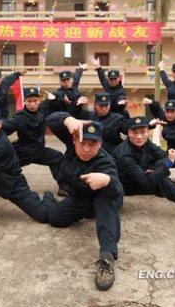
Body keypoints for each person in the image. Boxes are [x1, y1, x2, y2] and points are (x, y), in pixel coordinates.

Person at [46, 112, 124, 291]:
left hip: (104, 197)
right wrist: (68, 119)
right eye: (83, 143)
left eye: (93, 144)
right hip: (81, 198)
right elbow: (50, 119)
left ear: (100, 144)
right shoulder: (72, 143)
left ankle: (106, 259)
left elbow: (117, 191)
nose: (87, 149)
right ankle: (50, 200)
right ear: (74, 141)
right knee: (55, 218)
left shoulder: (106, 162)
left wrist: (106, 181)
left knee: (105, 203)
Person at [112, 116, 175, 223]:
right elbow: (147, 181)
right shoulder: (123, 154)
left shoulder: (146, 142)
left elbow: (162, 155)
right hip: (123, 187)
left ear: (148, 132)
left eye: (143, 132)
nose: (139, 136)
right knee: (161, 179)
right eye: (135, 132)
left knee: (161, 178)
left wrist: (155, 169)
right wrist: (168, 164)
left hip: (139, 178)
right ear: (129, 133)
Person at [0, 87, 67, 197]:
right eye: (29, 101)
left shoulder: (42, 109)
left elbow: (53, 103)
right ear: (25, 102)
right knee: (3, 165)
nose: (32, 104)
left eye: (35, 101)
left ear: (39, 101)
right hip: (23, 151)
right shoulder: (19, 118)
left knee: (58, 157)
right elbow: (6, 125)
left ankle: (64, 187)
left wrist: (55, 98)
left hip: (39, 151)